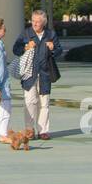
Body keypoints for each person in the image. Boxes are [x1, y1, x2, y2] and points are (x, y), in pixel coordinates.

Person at [12, 10, 62, 140]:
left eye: (38, 21)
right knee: (30, 102)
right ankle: (29, 130)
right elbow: (15, 49)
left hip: (45, 74)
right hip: (29, 74)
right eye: (33, 20)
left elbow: (59, 51)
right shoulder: (26, 33)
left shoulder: (50, 34)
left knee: (44, 103)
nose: (34, 23)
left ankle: (43, 131)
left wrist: (53, 48)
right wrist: (25, 47)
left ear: (44, 22)